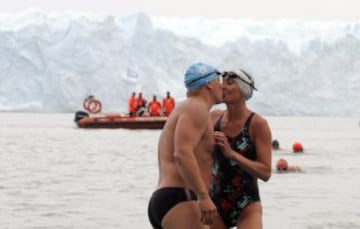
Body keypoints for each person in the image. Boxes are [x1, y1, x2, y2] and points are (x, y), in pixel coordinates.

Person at [147, 62, 223, 229]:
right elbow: (181, 153)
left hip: (169, 198)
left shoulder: (185, 108)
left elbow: (187, 148)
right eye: (219, 80)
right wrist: (203, 197)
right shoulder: (197, 108)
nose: (222, 86)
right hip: (181, 197)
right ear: (209, 83)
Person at [209, 69, 272, 229]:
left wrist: (232, 154)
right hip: (214, 203)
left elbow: (265, 172)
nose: (223, 87)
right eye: (223, 83)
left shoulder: (257, 124)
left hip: (247, 205)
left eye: (230, 83)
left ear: (244, 90)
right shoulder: (214, 117)